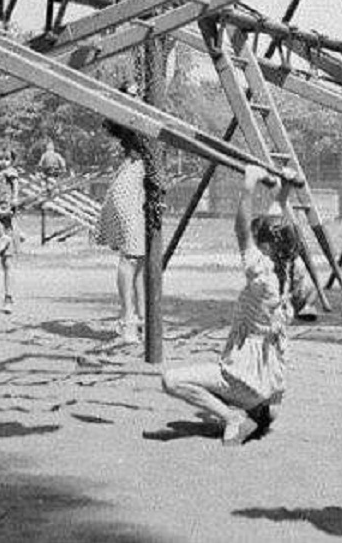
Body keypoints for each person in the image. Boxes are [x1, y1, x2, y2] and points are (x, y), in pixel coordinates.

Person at [160, 164, 298, 446]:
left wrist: (248, 184)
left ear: (267, 248)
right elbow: (278, 221)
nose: (256, 245)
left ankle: (232, 416)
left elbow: (241, 230)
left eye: (260, 243)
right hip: (270, 378)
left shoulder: (261, 275)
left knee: (171, 380)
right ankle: (258, 408)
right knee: (235, 383)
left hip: (244, 375)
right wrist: (284, 189)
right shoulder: (288, 270)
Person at [93, 84, 166, 343]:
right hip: (129, 185)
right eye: (132, 94)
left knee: (140, 260)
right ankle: (127, 320)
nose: (137, 97)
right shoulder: (129, 118)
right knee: (131, 257)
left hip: (135, 186)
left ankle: (142, 320)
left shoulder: (141, 118)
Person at [0, 147, 20, 312]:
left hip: (6, 208)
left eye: (7, 159)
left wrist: (15, 198)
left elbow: (15, 186)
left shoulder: (10, 172)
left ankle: (8, 298)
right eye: (0, 159)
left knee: (7, 262)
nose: (3, 162)